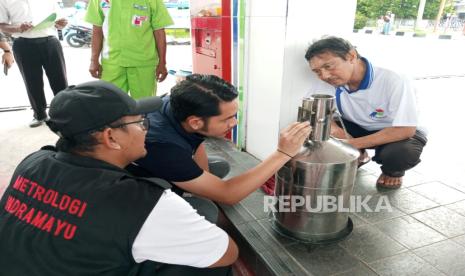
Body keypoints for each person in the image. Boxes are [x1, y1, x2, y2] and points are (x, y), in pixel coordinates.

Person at [0, 80, 238, 275]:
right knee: (209, 261)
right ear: (111, 137)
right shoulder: (141, 201)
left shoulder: (33, 161)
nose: (147, 128)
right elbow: (227, 252)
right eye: (140, 122)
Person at [135, 74, 311, 216]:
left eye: (235, 115)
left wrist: (204, 189)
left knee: (219, 167)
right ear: (195, 122)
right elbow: (228, 195)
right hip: (135, 190)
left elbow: (196, 142)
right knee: (206, 211)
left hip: (163, 162)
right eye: (227, 119)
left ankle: (188, 188)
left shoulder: (178, 105)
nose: (234, 123)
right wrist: (282, 154)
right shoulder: (163, 146)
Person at [304, 36, 427, 189]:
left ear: (351, 56)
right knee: (315, 128)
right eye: (317, 71)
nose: (324, 76)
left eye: (329, 66)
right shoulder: (328, 81)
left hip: (395, 131)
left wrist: (351, 144)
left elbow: (405, 129)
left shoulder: (394, 79)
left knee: (400, 153)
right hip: (356, 125)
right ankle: (360, 155)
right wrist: (339, 133)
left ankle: (392, 171)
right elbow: (320, 115)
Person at [85, 0, 173, 99]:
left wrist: (162, 63)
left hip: (143, 63)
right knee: (111, 105)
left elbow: (159, 31)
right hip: (112, 63)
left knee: (144, 108)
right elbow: (97, 30)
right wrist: (93, 60)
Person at [0, 0, 68, 127]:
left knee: (60, 80)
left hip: (51, 42)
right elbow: (2, 25)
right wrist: (17, 28)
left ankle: (64, 114)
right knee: (32, 82)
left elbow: (59, 20)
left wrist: (61, 23)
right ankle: (40, 115)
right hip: (23, 43)